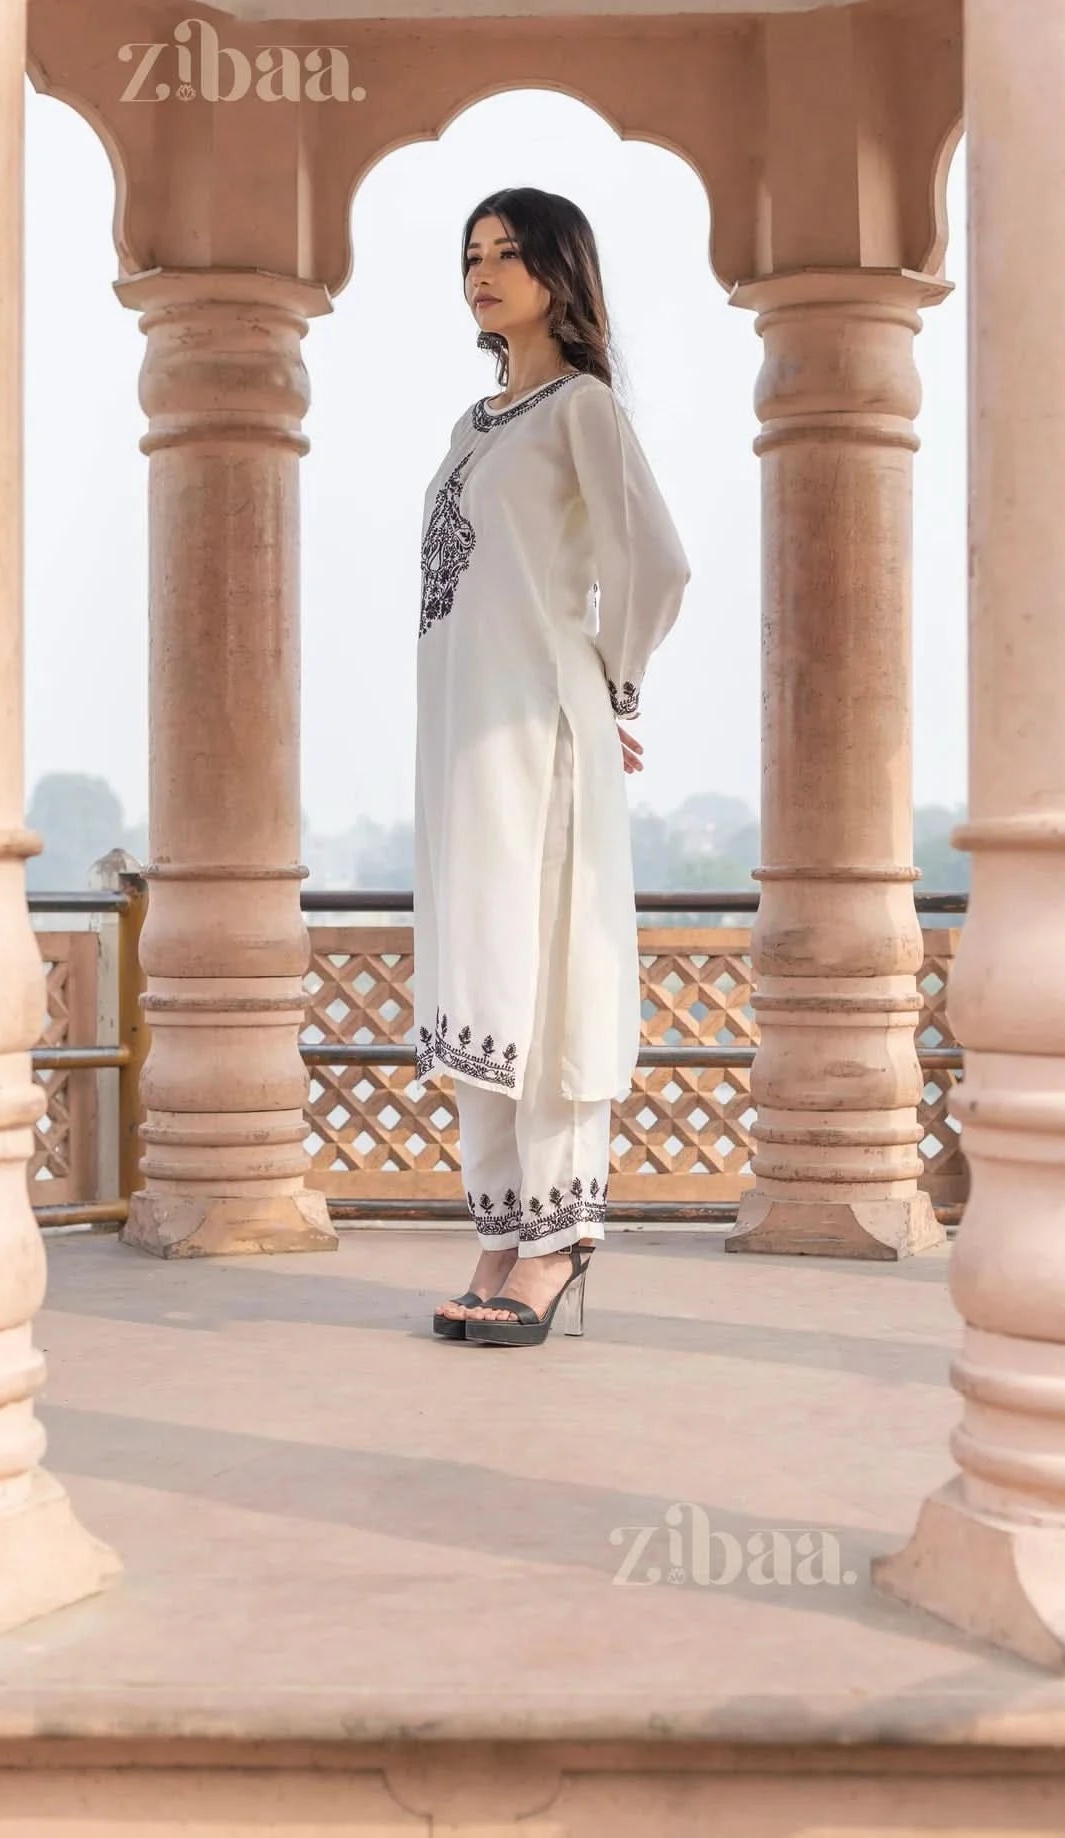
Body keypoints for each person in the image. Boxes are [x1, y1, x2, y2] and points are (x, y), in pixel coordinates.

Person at [415, 185, 691, 1347]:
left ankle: (559, 1236)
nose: (484, 272)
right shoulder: (474, 421)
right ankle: (499, 1228)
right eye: (472, 253)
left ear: (557, 273)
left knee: (549, 972)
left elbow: (656, 562)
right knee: (482, 969)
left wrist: (608, 682)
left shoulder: (583, 410)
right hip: (460, 738)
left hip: (541, 730)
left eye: (509, 253)